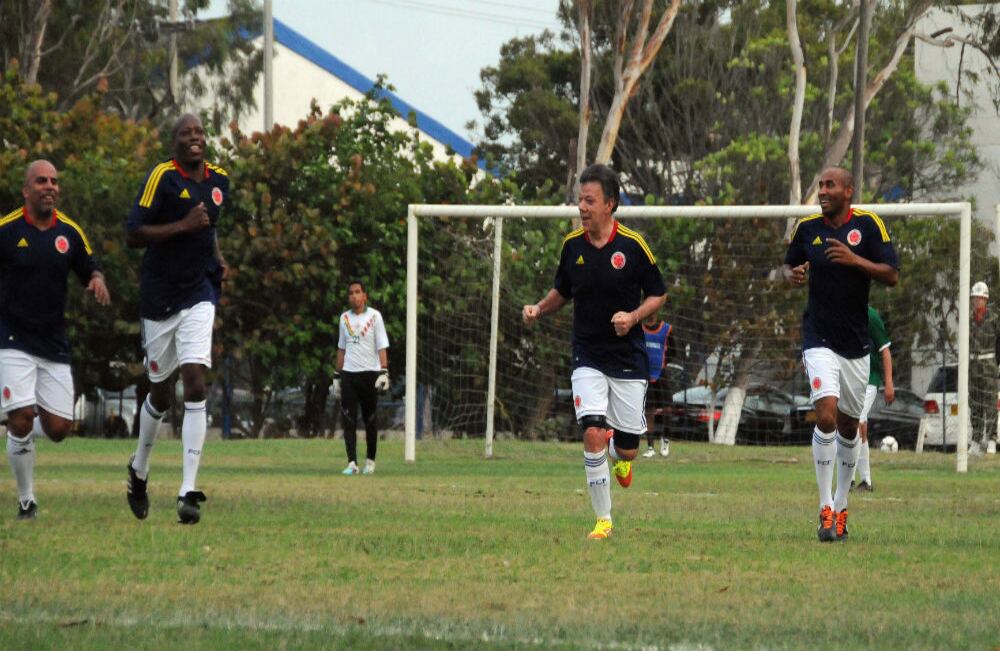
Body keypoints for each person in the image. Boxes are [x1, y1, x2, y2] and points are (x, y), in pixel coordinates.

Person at [523, 163, 666, 540]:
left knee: (628, 449)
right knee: (592, 431)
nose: (582, 207)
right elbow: (562, 291)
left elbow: (659, 293)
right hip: (587, 355)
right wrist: (539, 307)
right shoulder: (572, 246)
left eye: (589, 201)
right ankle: (603, 521)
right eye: (579, 200)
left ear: (610, 204)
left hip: (628, 360)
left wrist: (633, 317)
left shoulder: (633, 246)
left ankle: (622, 456)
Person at [782, 166, 899, 543]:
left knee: (850, 428)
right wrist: (793, 275)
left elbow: (892, 274)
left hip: (855, 345)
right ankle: (824, 508)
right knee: (826, 414)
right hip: (818, 337)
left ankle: (843, 503)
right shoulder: (807, 229)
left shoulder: (868, 226)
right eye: (821, 185)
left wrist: (856, 261)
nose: (823, 191)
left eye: (830, 185)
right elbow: (789, 266)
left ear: (849, 190)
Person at [124, 114, 229, 525]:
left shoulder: (219, 180)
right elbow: (133, 234)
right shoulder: (161, 177)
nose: (195, 139)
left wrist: (218, 259)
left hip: (199, 292)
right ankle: (139, 469)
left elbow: (210, 230)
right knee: (161, 393)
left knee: (196, 380)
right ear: (175, 144)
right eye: (186, 134)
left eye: (200, 132)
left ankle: (188, 490)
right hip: (159, 298)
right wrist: (183, 225)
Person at [2, 160, 111, 519]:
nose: (50, 187)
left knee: (59, 429)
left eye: (54, 181)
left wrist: (96, 279)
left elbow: (89, 266)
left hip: (53, 342)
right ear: (26, 190)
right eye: (41, 181)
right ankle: (26, 500)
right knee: (21, 416)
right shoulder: (6, 230)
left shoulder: (70, 233)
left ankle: (14, 418)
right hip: (12, 338)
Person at [336, 281, 390, 475]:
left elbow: (381, 345)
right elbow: (341, 348)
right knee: (349, 420)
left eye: (358, 292)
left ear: (365, 296)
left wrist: (384, 371)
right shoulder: (344, 318)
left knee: (370, 419)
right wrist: (337, 376)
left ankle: (370, 461)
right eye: (351, 293)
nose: (354, 296)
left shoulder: (375, 317)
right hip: (349, 375)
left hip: (370, 373)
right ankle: (352, 463)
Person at [853, 305, 894, 492]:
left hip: (870, 378)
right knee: (859, 425)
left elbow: (885, 351)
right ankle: (865, 480)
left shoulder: (871, 316)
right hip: (851, 378)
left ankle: (851, 480)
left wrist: (889, 383)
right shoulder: (843, 311)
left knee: (856, 421)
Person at [969, 281, 1000, 454]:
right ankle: (975, 439)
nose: (977, 301)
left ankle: (991, 439)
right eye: (975, 298)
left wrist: (997, 363)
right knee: (975, 403)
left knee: (990, 403)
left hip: (989, 364)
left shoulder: (994, 318)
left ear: (986, 300)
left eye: (980, 298)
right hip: (973, 365)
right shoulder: (968, 318)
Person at [642, 313, 675, 458]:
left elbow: (673, 352)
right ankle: (650, 447)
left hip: (662, 374)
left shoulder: (667, 329)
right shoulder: (639, 329)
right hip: (645, 376)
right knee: (649, 410)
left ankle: (665, 440)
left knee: (667, 409)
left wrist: (662, 365)